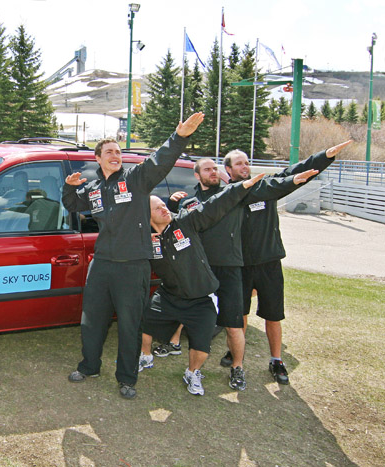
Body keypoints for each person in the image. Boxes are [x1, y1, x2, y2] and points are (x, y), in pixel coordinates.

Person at [142, 157, 320, 391]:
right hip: (200, 268)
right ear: (197, 175)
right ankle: (172, 345)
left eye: (215, 168)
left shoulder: (231, 195)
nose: (213, 172)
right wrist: (173, 205)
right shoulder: (189, 203)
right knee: (183, 308)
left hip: (229, 268)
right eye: (207, 169)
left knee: (234, 324)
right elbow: (171, 226)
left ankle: (237, 367)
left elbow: (270, 186)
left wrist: (293, 180)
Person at [63, 112, 205, 400]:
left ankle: (127, 378)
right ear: (98, 158)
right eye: (109, 152)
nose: (115, 155)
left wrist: (179, 137)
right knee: (92, 321)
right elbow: (73, 205)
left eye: (118, 151)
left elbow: (160, 160)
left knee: (130, 326)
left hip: (132, 266)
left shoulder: (136, 179)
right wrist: (69, 186)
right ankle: (89, 366)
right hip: (102, 265)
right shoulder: (94, 189)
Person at [223, 141, 352, 385]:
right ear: (228, 169)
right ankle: (235, 352)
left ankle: (276, 360)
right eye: (239, 163)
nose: (245, 166)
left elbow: (293, 172)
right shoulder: (228, 195)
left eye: (247, 162)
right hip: (240, 265)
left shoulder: (266, 186)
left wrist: (325, 155)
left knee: (273, 315)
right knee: (240, 314)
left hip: (269, 263)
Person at [143, 172, 267, 396]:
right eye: (157, 208)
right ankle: (145, 356)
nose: (164, 209)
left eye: (164, 205)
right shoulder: (145, 240)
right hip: (169, 295)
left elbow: (212, 206)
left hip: (199, 298)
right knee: (143, 324)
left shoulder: (185, 221)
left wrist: (240, 187)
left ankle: (192, 372)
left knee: (201, 347)